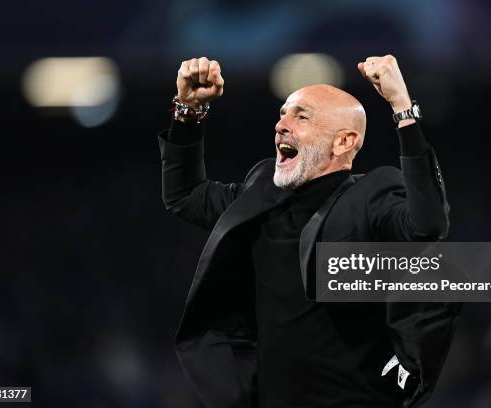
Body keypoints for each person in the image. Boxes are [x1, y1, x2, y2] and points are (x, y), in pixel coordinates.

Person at [158, 55, 460, 408]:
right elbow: (185, 196)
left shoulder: (371, 196)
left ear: (343, 142)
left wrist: (402, 108)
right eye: (282, 113)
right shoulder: (261, 189)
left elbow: (429, 225)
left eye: (301, 116)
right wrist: (189, 113)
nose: (281, 125)